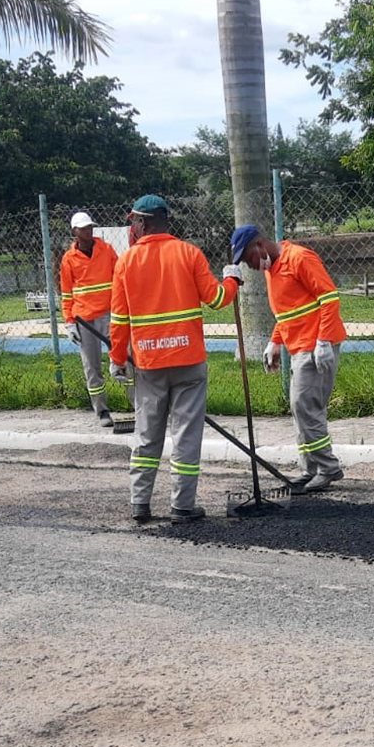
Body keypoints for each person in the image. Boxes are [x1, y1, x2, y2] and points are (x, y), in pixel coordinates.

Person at [109, 195, 241, 523]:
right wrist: (233, 279)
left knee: (147, 435)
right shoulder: (189, 253)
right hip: (188, 362)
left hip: (149, 365)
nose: (132, 227)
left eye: (133, 222)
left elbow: (119, 320)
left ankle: (140, 504)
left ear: (144, 222)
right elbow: (218, 298)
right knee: (186, 435)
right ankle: (182, 506)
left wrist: (116, 358)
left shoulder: (126, 262)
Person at [227, 225, 346, 492]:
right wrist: (275, 342)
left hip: (315, 346)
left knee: (304, 406)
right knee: (300, 408)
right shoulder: (273, 269)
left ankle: (327, 468)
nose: (251, 266)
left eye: (248, 259)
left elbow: (329, 298)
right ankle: (310, 468)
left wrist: (324, 341)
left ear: (260, 245)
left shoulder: (299, 258)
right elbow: (288, 313)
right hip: (299, 346)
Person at [59, 210, 120, 426]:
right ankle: (102, 411)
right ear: (75, 231)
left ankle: (139, 405)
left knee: (125, 359)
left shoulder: (106, 250)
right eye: (84, 228)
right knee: (92, 366)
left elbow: (119, 276)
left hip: (109, 312)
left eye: (90, 227)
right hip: (84, 319)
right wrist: (69, 322)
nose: (89, 231)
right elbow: (66, 294)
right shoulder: (69, 259)